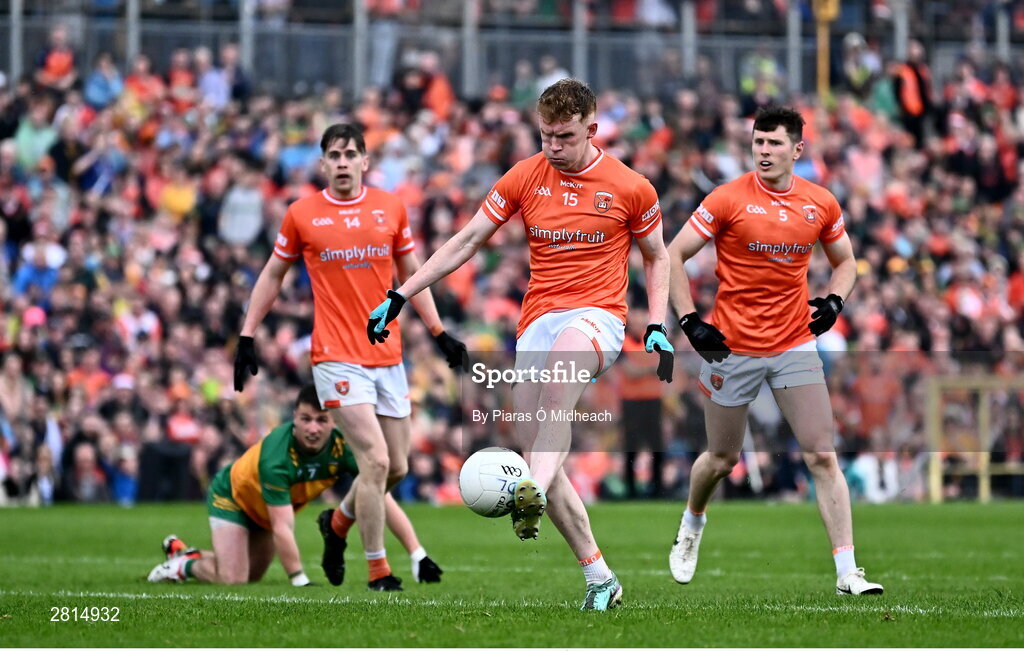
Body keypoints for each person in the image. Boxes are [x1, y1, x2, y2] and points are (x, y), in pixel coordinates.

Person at [366, 78, 673, 610]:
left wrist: (659, 323)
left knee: (558, 389)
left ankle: (527, 488)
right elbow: (466, 240)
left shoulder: (631, 187)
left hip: (598, 316)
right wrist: (400, 294)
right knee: (536, 448)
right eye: (545, 135)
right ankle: (599, 576)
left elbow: (658, 256)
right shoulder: (525, 176)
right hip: (538, 319)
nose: (552, 146)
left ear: (591, 129)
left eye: (564, 136)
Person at [233, 123, 466, 591]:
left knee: (397, 466)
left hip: (387, 354)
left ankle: (337, 523)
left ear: (365, 162)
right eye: (334, 155)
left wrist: (439, 333)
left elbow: (412, 276)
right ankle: (378, 569)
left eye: (350, 154)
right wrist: (247, 335)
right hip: (335, 356)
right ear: (323, 164)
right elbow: (273, 274)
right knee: (375, 462)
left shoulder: (390, 208)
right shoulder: (302, 214)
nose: (342, 162)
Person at [665, 104, 884, 596]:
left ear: (797, 149)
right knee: (721, 458)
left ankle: (848, 572)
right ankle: (693, 523)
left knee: (822, 455)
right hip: (731, 348)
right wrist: (689, 322)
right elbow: (674, 254)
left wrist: (833, 300)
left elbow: (846, 262)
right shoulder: (726, 199)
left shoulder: (820, 203)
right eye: (758, 142)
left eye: (774, 143)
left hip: (793, 344)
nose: (763, 151)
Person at [146, 385, 443, 586]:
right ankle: (182, 566)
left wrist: (417, 553)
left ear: (334, 422)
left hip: (264, 512)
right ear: (295, 419)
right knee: (233, 579)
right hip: (233, 499)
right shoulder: (277, 455)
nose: (313, 427)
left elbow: (378, 496)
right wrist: (299, 579)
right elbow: (283, 527)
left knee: (251, 576)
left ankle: (186, 553)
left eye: (321, 420)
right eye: (305, 419)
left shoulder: (344, 446)